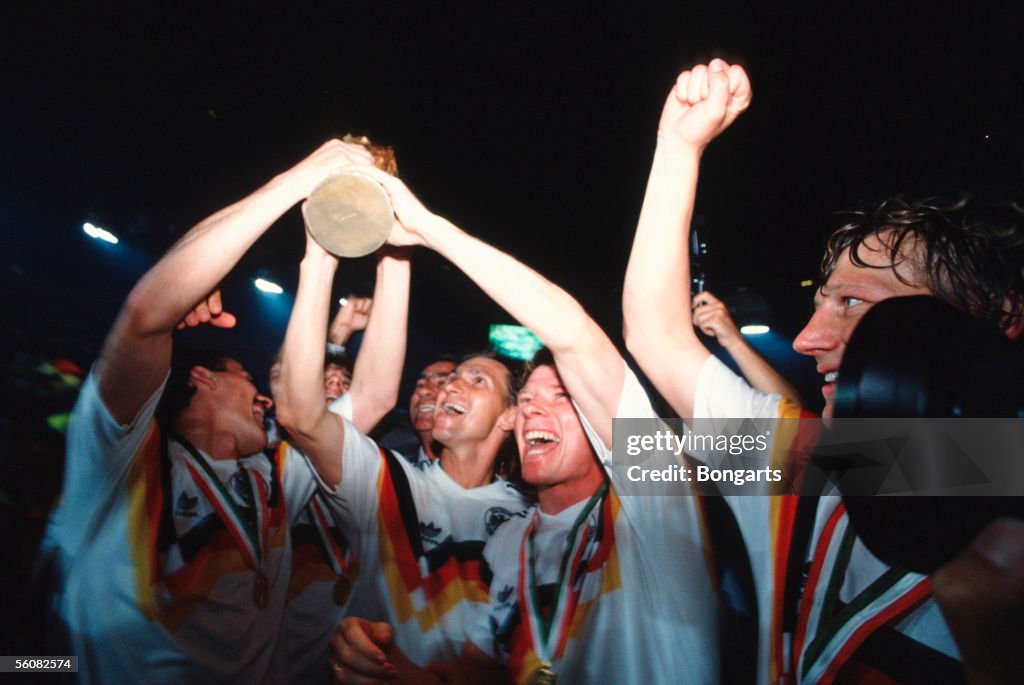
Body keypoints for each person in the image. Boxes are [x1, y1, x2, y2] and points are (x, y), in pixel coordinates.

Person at [622, 58, 1024, 683]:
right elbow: (658, 334)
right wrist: (677, 148)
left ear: (984, 321)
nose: (809, 340)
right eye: (820, 304)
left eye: (854, 303)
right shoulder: (822, 461)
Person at [328, 165, 719, 683]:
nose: (534, 408)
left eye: (561, 397)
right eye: (528, 398)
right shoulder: (508, 540)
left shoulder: (654, 505)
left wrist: (427, 228)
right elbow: (480, 671)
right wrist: (386, 669)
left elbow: (579, 337)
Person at [40, 139, 376, 684]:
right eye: (248, 380)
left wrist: (322, 254)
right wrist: (307, 174)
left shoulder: (273, 476)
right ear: (201, 377)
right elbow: (147, 314)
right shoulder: (122, 459)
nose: (265, 399)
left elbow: (372, 398)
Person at [274, 217, 531, 670]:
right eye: (450, 379)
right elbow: (302, 414)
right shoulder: (390, 482)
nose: (450, 388)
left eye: (476, 380)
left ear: (512, 415)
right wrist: (392, 255)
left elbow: (688, 468)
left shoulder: (534, 516)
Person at [283, 256, 410, 685]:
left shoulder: (396, 456)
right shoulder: (275, 462)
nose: (441, 388)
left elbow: (369, 395)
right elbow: (303, 398)